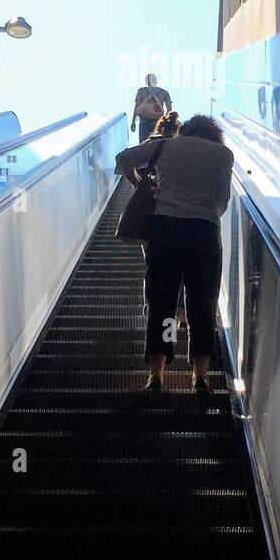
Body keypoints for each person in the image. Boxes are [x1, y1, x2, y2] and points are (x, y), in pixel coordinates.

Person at [115, 113, 233, 397]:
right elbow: (222, 200)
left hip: (165, 228)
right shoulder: (223, 154)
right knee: (202, 306)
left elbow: (123, 160)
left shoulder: (167, 145)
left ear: (187, 130)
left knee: (162, 304)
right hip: (203, 231)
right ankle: (200, 377)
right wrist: (204, 210)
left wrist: (143, 186)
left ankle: (156, 376)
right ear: (213, 134)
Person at [130, 73, 172, 142]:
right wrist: (166, 122)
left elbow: (136, 107)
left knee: (143, 145)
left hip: (144, 122)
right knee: (157, 144)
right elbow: (169, 110)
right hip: (158, 123)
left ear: (146, 82)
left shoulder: (141, 91)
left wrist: (133, 121)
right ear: (156, 81)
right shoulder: (164, 93)